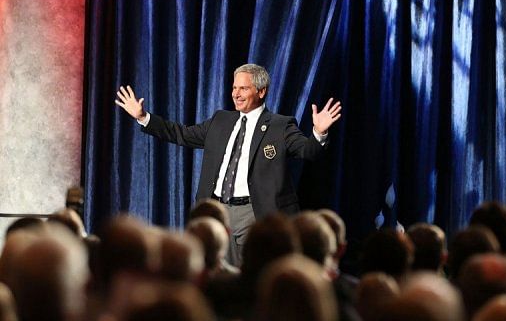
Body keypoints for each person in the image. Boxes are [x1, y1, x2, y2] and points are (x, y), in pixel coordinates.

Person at [115, 63, 342, 265]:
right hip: (216, 210)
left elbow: (308, 151)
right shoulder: (221, 120)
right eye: (234, 88)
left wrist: (319, 133)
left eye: (243, 88)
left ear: (261, 91)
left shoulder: (280, 126)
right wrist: (144, 117)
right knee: (214, 272)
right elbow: (181, 134)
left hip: (252, 212)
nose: (236, 94)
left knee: (249, 274)